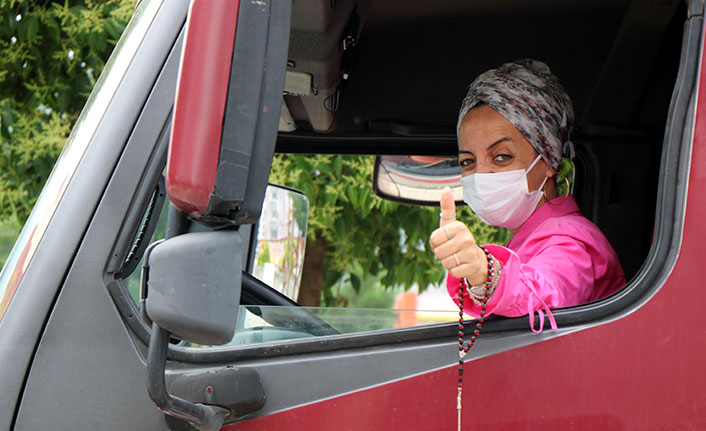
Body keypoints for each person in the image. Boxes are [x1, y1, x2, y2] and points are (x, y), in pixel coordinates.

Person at [429, 59, 625, 332]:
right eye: (467, 162)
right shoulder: (530, 239)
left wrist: (483, 272)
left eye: (501, 157)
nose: (481, 174)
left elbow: (545, 292)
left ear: (548, 161)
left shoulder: (573, 241)